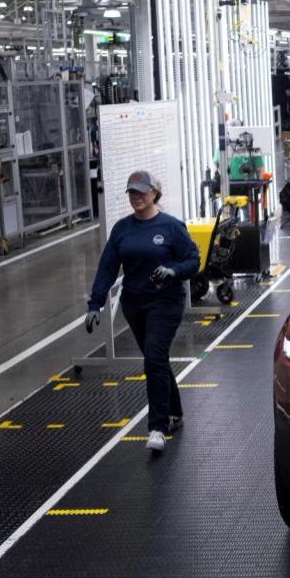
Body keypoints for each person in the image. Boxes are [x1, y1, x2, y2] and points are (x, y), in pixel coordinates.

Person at [86, 171, 200, 453]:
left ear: (153, 193)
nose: (136, 197)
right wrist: (95, 303)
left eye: (140, 192)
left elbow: (193, 260)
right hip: (134, 304)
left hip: (166, 302)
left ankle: (158, 427)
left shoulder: (172, 227)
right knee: (156, 359)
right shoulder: (122, 229)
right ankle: (175, 411)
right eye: (131, 193)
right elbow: (107, 268)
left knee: (153, 358)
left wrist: (173, 270)